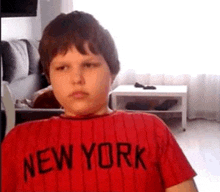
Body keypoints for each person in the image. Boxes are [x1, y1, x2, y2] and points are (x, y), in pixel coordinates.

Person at [2, 11, 198, 192]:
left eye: (89, 65)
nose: (76, 78)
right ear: (49, 77)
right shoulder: (18, 142)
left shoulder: (152, 131)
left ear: (112, 71)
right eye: (62, 68)